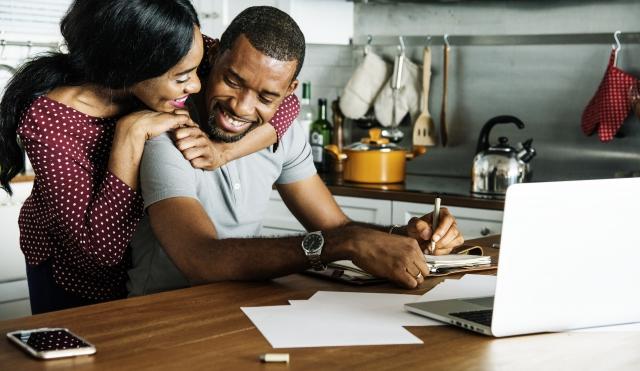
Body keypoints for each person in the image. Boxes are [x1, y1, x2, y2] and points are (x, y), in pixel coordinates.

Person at [127, 6, 464, 296]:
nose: (241, 108)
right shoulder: (169, 132)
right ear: (213, 56)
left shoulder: (285, 136)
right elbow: (201, 259)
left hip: (236, 309)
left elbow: (336, 227)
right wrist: (343, 243)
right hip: (160, 315)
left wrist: (402, 237)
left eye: (266, 97)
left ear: (289, 92)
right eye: (232, 81)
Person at [0, 0, 299, 314]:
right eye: (182, 78)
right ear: (133, 67)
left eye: (197, 70)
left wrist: (222, 153)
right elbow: (98, 253)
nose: (197, 84)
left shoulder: (179, 46)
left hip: (139, 266)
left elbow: (286, 104)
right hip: (72, 277)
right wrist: (129, 134)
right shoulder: (50, 121)